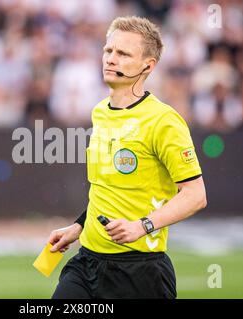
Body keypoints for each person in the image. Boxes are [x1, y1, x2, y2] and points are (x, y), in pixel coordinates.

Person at [48, 16, 207, 299]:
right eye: (108, 50)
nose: (111, 59)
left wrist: (142, 226)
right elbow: (106, 188)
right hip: (87, 264)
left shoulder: (164, 120)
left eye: (123, 54)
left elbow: (195, 195)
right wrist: (79, 226)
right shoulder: (100, 112)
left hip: (141, 272)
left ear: (148, 65)